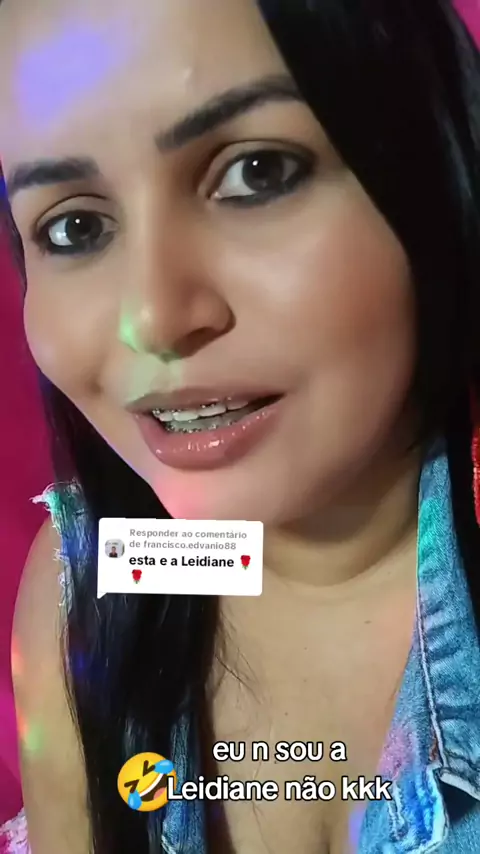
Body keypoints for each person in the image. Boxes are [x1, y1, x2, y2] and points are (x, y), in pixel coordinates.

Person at [0, 0, 479, 852]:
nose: (153, 317)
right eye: (76, 227)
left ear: (431, 163)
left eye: (258, 173)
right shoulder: (99, 581)